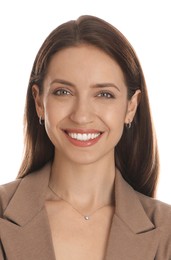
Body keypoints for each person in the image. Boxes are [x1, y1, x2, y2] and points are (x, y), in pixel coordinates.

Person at [0, 15, 170, 260]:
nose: (81, 116)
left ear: (131, 106)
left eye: (104, 94)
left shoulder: (166, 231)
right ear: (39, 101)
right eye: (63, 92)